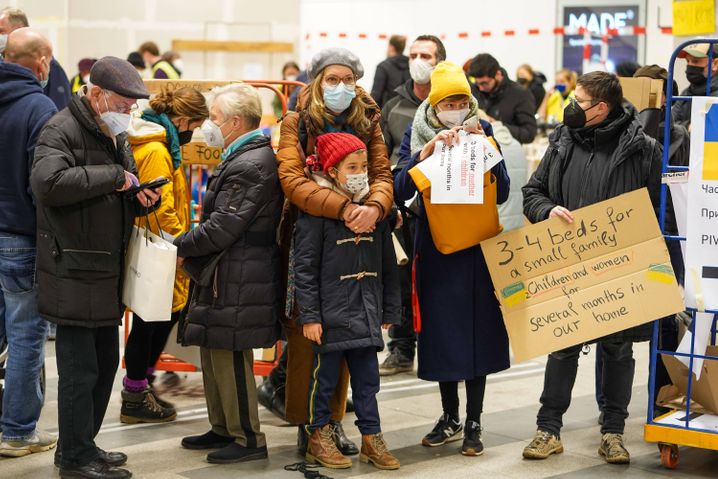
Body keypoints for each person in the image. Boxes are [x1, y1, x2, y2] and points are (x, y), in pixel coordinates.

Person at [521, 71, 662, 465]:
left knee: (618, 350)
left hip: (619, 268)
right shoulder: (562, 142)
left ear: (602, 108)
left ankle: (614, 433)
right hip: (567, 264)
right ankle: (548, 429)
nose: (570, 106)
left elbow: (657, 212)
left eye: (578, 100)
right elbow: (533, 192)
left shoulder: (644, 149)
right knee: (562, 348)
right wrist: (548, 211)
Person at [31, 56, 161, 479]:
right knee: (79, 371)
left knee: (105, 364)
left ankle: (82, 444)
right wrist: (114, 178)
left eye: (132, 107)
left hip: (105, 269)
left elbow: (123, 180)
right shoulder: (60, 128)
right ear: (97, 95)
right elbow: (48, 185)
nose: (129, 114)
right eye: (124, 105)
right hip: (73, 268)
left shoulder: (112, 131)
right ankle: (74, 459)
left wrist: (139, 195)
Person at [276, 47, 394, 457]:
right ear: (317, 80)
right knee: (309, 338)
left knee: (350, 337)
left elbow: (382, 173)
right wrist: (345, 208)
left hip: (359, 234)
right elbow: (292, 180)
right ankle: (307, 426)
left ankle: (333, 422)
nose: (341, 87)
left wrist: (375, 207)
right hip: (312, 233)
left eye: (348, 79)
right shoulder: (296, 120)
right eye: (332, 79)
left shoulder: (369, 119)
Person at [394, 61, 511, 456]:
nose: (455, 109)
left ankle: (475, 421)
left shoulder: (485, 130)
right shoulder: (417, 132)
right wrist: (423, 155)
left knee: (477, 333)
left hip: (476, 250)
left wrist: (487, 147)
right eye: (447, 102)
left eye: (462, 101)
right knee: (443, 335)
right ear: (433, 105)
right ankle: (449, 416)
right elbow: (399, 189)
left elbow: (505, 191)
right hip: (436, 249)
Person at [175, 83, 282, 465]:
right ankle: (222, 426)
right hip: (228, 268)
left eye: (215, 118)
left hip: (240, 270)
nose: (209, 126)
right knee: (214, 347)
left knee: (232, 351)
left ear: (236, 122)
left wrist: (180, 245)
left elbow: (223, 226)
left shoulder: (252, 163)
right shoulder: (243, 156)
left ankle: (248, 436)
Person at [295, 132, 401, 470]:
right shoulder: (317, 210)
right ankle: (318, 435)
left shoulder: (375, 210)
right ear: (331, 170)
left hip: (367, 309)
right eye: (351, 166)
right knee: (324, 380)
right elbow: (305, 269)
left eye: (364, 166)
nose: (359, 172)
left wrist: (389, 309)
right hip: (329, 314)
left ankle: (372, 437)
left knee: (369, 380)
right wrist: (310, 316)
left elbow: (388, 264)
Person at [121, 87, 209, 424]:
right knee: (153, 318)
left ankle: (140, 386)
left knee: (158, 316)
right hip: (162, 245)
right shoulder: (158, 149)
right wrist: (180, 246)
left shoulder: (157, 139)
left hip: (158, 242)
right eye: (194, 125)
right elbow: (163, 206)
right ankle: (135, 392)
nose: (192, 133)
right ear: (182, 119)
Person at [0, 27, 58, 459]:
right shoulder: (39, 106)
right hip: (20, 236)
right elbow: (41, 184)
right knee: (25, 336)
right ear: (40, 61)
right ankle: (18, 431)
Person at [379, 34, 446, 377]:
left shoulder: (452, 104)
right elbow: (382, 154)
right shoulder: (394, 105)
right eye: (414, 54)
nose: (419, 60)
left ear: (440, 61)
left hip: (443, 205)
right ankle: (402, 347)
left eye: (427, 55)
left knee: (438, 281)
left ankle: (440, 345)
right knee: (400, 277)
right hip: (403, 203)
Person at [0, 7, 71, 111]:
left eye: (1, 31)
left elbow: (59, 114)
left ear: (19, 29)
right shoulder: (4, 63)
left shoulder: (51, 66)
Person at [468, 53, 537, 144]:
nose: (481, 88)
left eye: (485, 83)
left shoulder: (520, 94)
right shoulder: (474, 90)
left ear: (498, 74)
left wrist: (496, 126)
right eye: (477, 83)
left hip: (507, 152)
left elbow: (529, 134)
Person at [673, 43, 718, 127]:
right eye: (687, 61)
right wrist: (688, 126)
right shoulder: (686, 93)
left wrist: (684, 128)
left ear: (715, 64)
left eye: (695, 61)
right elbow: (669, 125)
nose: (689, 65)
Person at [371, 35, 410, 108]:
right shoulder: (410, 65)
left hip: (387, 113)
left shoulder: (383, 66)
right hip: (408, 111)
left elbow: (376, 95)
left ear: (391, 47)